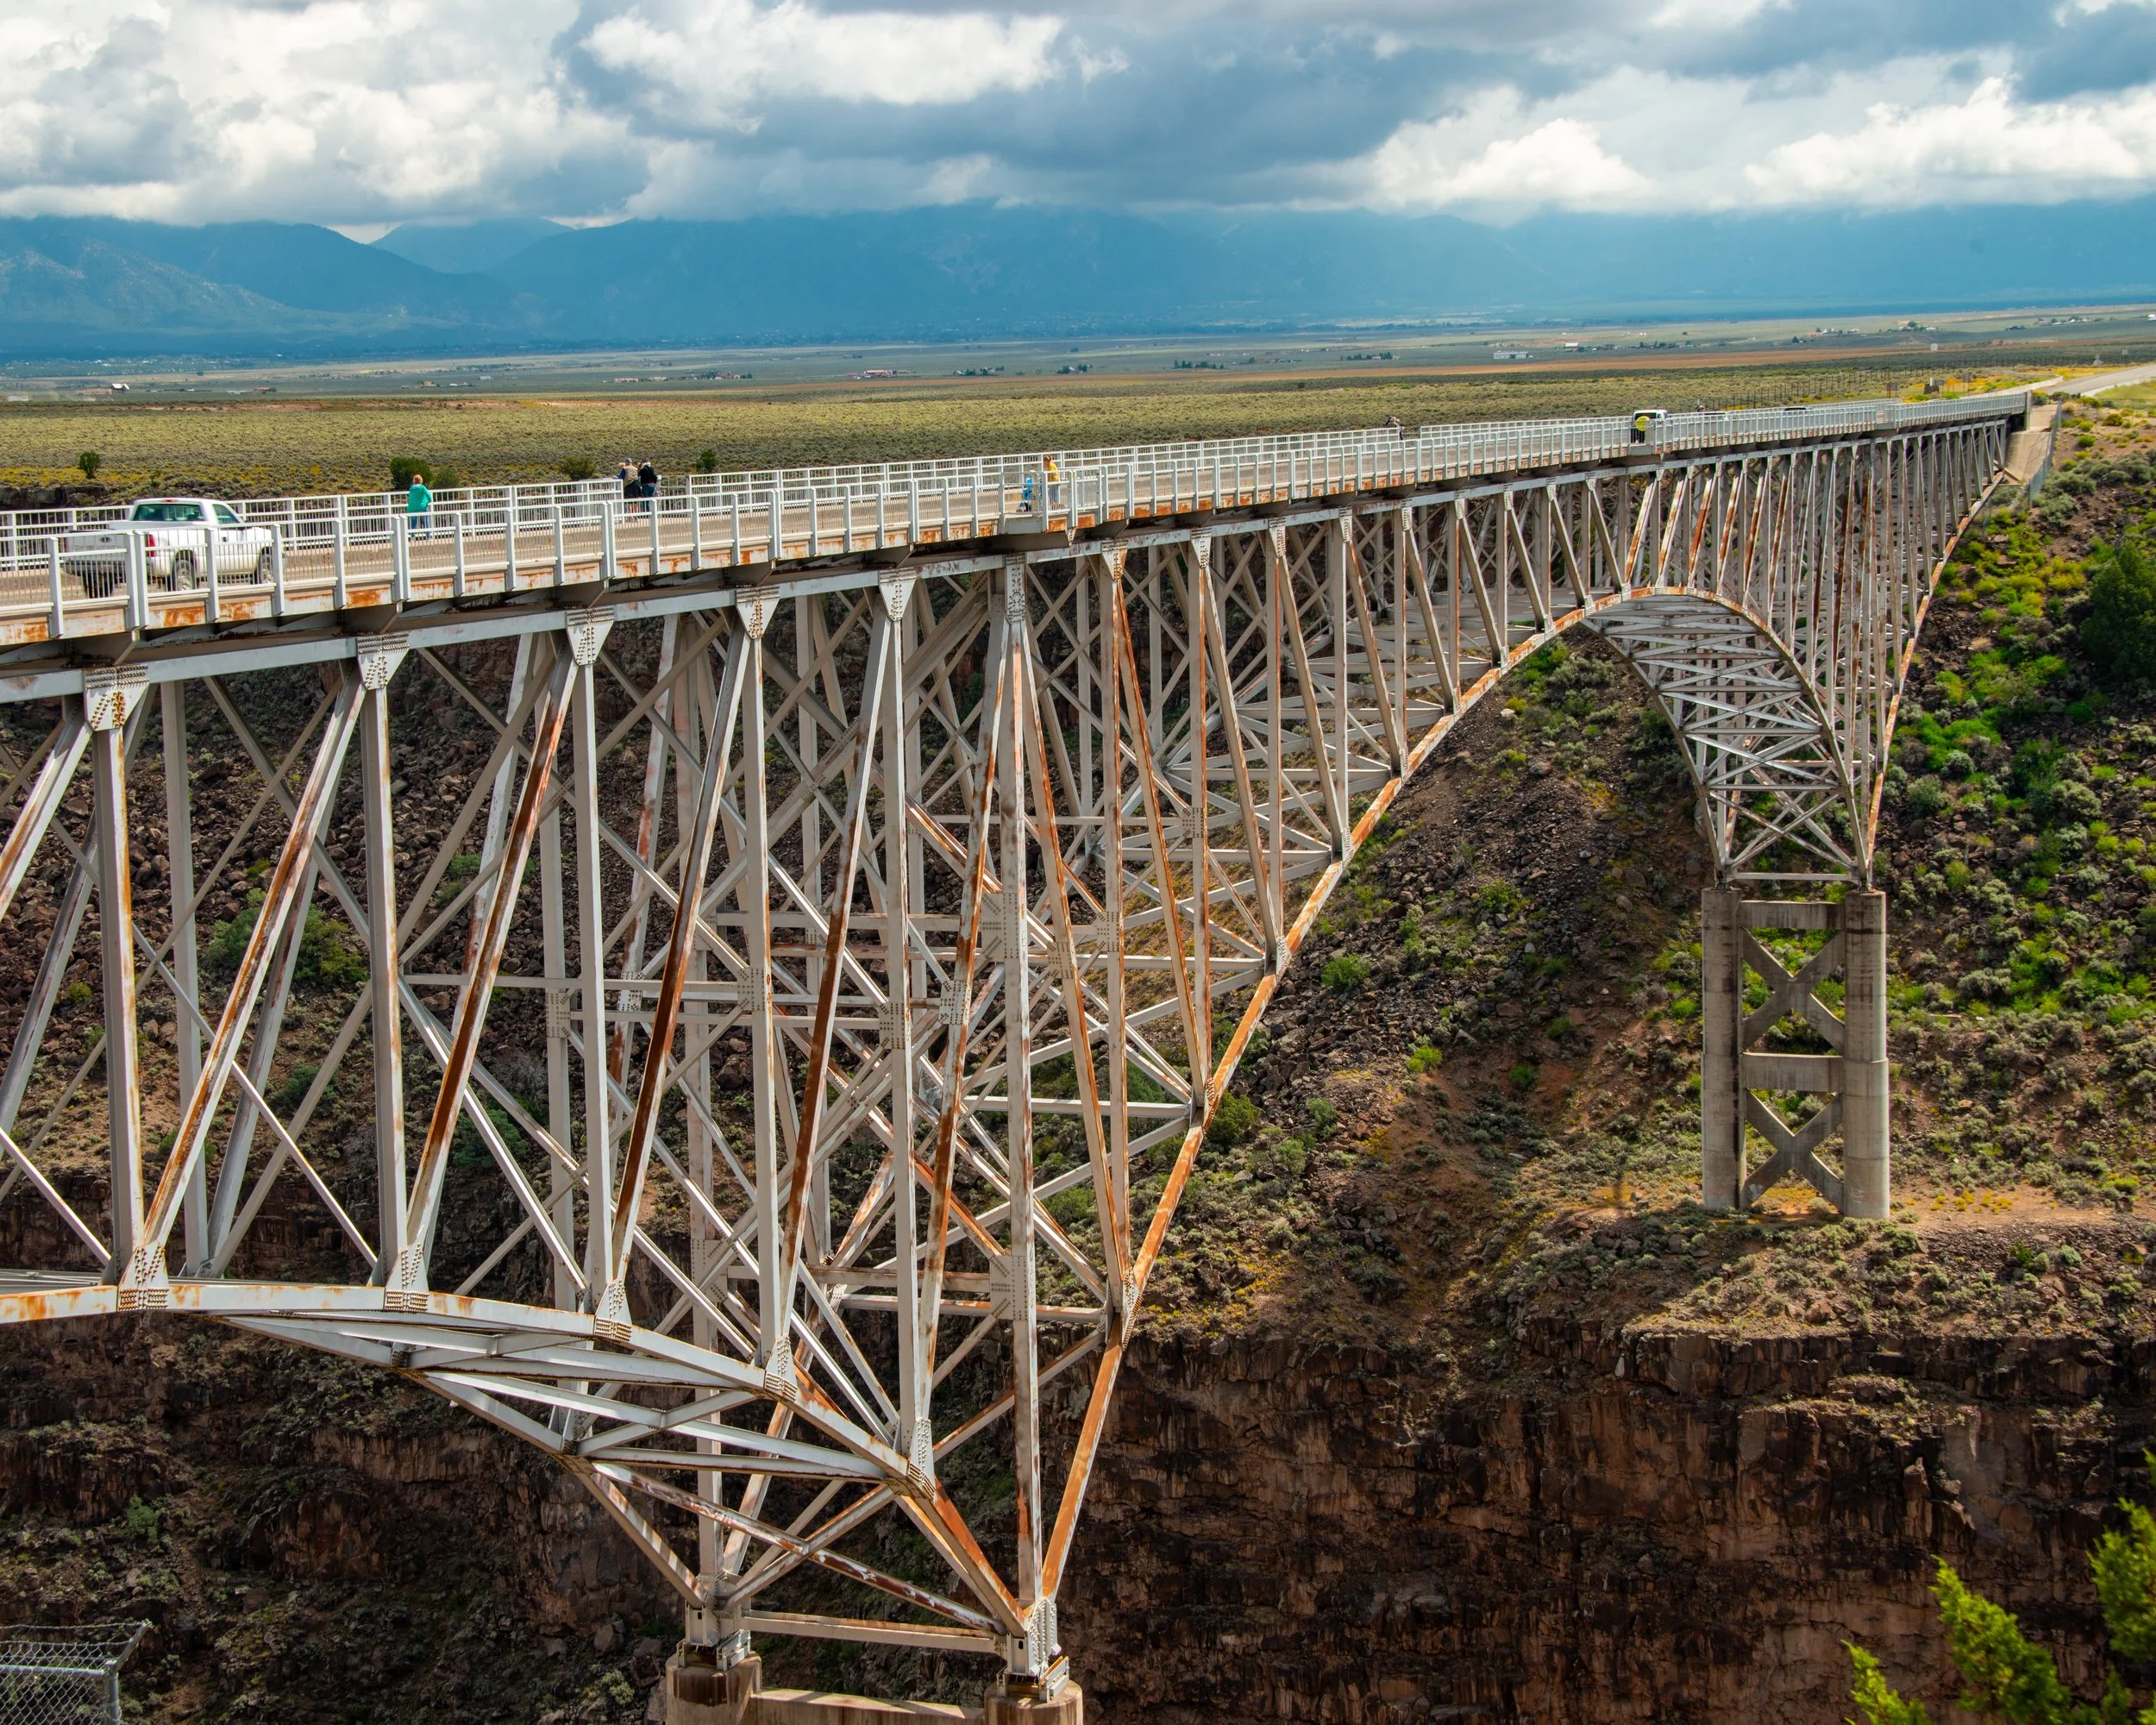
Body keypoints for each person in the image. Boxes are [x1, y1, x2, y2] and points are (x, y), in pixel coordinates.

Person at [406, 471, 432, 537]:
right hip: (422, 507)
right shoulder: (422, 487)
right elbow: (428, 495)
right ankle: (428, 537)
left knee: (413, 522)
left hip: (412, 508)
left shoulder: (411, 488)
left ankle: (412, 537)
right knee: (425, 522)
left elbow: (410, 496)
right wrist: (428, 501)